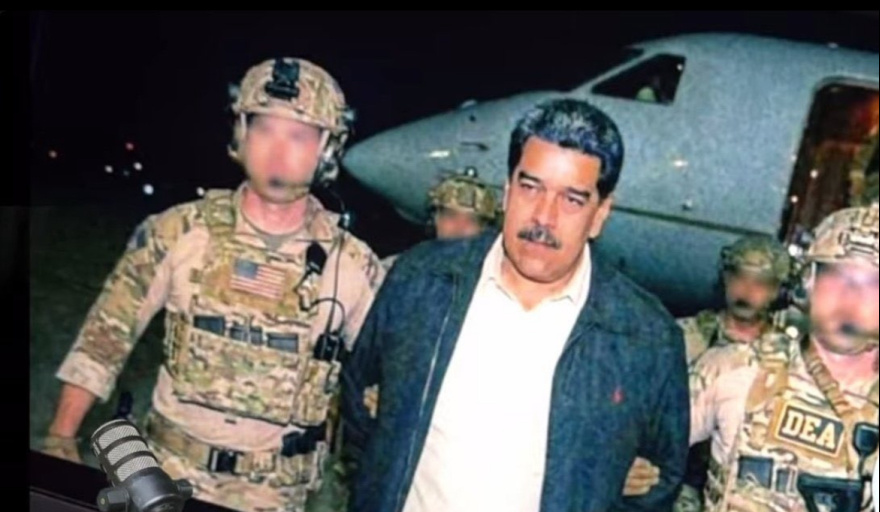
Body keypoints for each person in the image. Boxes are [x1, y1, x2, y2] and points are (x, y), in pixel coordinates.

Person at [41, 57, 385, 512]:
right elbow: (105, 338)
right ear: (241, 134)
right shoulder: (177, 232)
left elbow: (383, 384)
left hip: (273, 493)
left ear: (327, 151)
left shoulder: (354, 266)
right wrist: (61, 436)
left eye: (298, 136)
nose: (277, 149)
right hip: (165, 474)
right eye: (264, 129)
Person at [341, 98, 690, 512]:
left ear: (600, 215)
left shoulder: (644, 337)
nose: (543, 217)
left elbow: (655, 486)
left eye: (572, 199)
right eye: (531, 187)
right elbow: (360, 411)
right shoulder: (422, 280)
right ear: (507, 191)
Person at [626, 203, 879, 512]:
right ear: (809, 283)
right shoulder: (734, 370)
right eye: (839, 277)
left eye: (873, 284)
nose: (851, 298)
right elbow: (629, 454)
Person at [381, 167, 500, 271]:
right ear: (435, 219)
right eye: (451, 216)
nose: (460, 227)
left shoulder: (493, 278)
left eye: (472, 220)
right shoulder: (404, 266)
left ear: (485, 229)